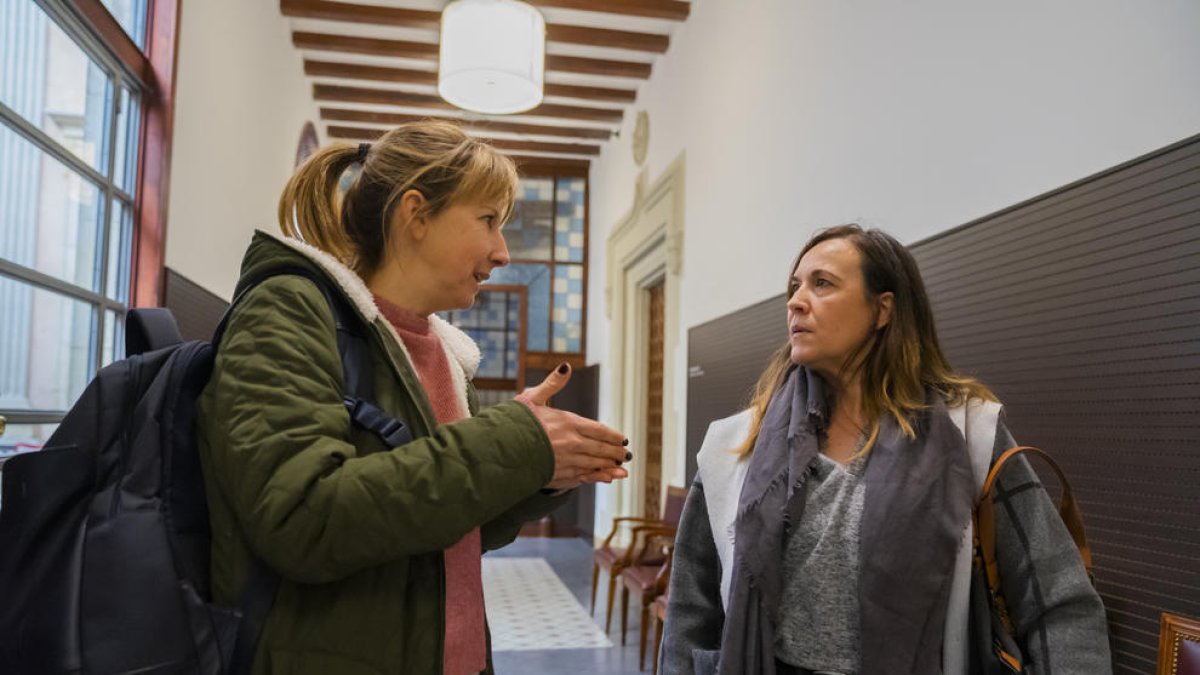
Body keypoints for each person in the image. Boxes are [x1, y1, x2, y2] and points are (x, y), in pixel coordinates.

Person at [196, 120, 630, 674]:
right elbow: (302, 518)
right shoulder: (287, 308)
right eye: (489, 221)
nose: (502, 251)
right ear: (416, 213)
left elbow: (456, 524)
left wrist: (539, 473)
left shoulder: (444, 350)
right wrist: (512, 441)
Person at [659, 224, 1110, 675]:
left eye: (822, 284)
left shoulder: (968, 436)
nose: (796, 301)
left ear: (882, 309)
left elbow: (1059, 601)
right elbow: (691, 610)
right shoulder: (735, 446)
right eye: (795, 286)